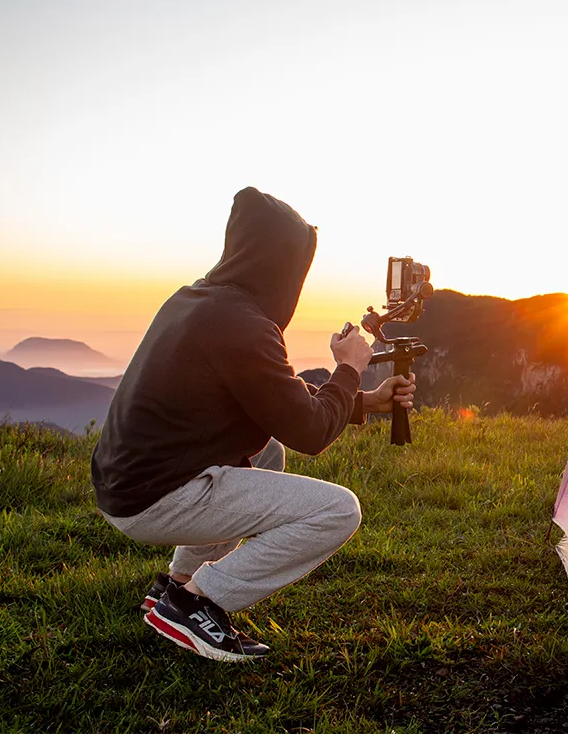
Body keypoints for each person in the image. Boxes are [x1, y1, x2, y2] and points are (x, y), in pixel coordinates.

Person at [90, 187, 416, 662]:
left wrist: (363, 400)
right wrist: (349, 369)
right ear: (282, 266)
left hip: (126, 482)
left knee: (266, 453)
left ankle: (176, 584)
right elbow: (309, 433)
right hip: (149, 498)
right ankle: (197, 602)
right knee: (338, 510)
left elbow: (276, 399)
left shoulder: (201, 300)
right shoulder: (243, 325)